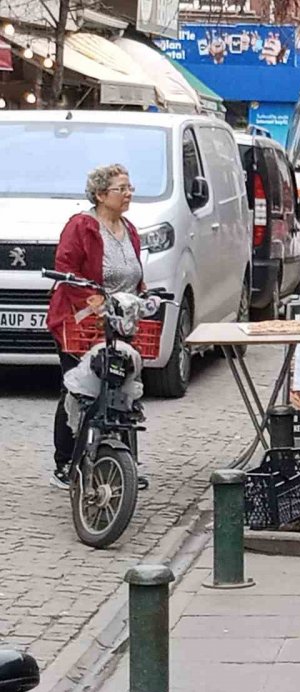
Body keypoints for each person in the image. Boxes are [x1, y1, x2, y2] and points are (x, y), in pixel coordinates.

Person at [46, 164, 145, 490]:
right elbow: (66, 271)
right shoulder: (82, 227)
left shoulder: (128, 229)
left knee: (121, 389)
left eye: (130, 187)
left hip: (120, 323)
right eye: (122, 188)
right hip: (80, 323)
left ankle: (123, 462)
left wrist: (140, 300)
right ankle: (65, 461)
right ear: (102, 195)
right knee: (79, 389)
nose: (129, 193)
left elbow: (134, 276)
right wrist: (97, 305)